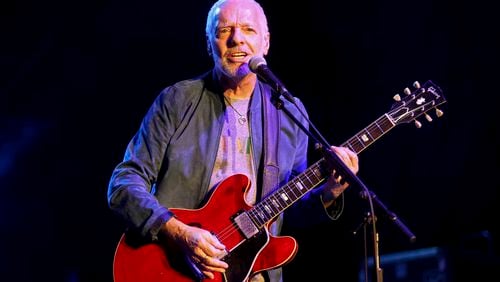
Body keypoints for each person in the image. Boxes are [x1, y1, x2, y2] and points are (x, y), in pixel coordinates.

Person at [107, 0, 359, 281]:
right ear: (208, 44)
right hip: (175, 267)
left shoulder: (289, 111)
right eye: (224, 29)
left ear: (266, 43)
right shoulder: (177, 100)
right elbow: (123, 183)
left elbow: (289, 213)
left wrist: (329, 192)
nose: (236, 38)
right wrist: (179, 232)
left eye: (248, 29)